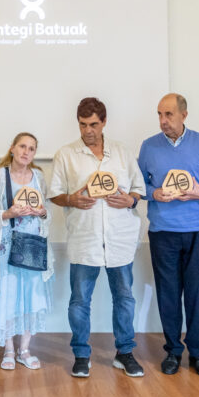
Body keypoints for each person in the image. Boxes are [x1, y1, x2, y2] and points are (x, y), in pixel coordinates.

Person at [48, 97, 146, 378]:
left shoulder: (123, 153)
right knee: (79, 300)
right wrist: (71, 199)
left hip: (120, 238)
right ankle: (81, 355)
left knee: (125, 298)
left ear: (104, 123)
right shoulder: (66, 154)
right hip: (85, 238)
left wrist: (131, 199)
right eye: (82, 124)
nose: (87, 130)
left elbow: (139, 188)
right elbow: (55, 193)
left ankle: (124, 352)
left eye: (93, 124)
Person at [137, 93, 199, 377]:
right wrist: (154, 193)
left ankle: (198, 353)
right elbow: (138, 187)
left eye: (169, 115)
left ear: (184, 115)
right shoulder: (149, 147)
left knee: (197, 294)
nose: (163, 121)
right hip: (163, 232)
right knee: (169, 294)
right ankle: (173, 351)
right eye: (160, 115)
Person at [0, 133, 54, 370]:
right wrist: (9, 214)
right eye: (23, 146)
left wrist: (42, 213)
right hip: (7, 246)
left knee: (30, 297)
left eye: (32, 149)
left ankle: (24, 349)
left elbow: (48, 212)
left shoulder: (39, 177)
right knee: (8, 295)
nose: (26, 152)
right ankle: (8, 349)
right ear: (12, 148)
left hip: (33, 245)